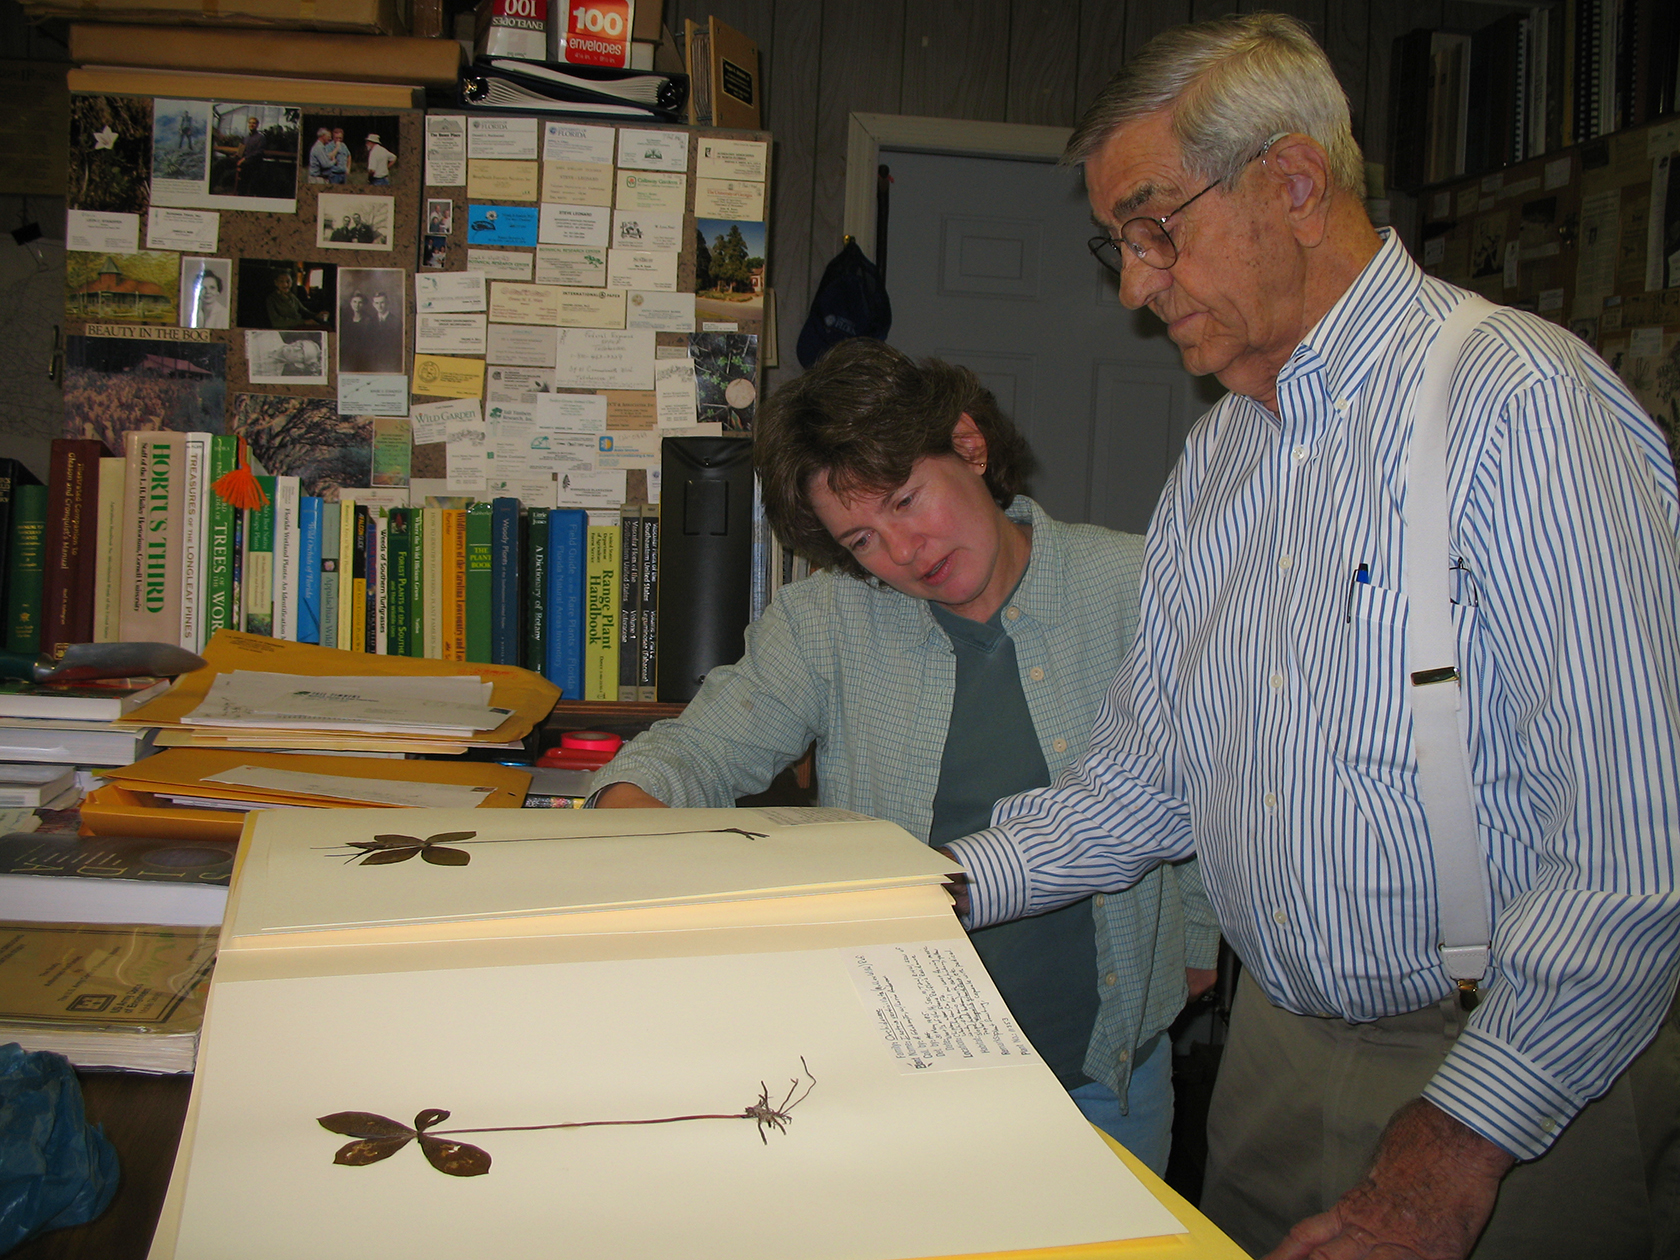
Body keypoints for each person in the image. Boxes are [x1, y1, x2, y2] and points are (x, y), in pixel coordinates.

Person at [941, 14, 1680, 1260]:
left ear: (1291, 182)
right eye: (1120, 242)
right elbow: (1141, 784)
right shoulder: (1220, 460)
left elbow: (1635, 851)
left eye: (1154, 228)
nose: (1133, 286)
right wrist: (933, 889)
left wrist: (1456, 1146)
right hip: (1271, 1066)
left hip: (1521, 1084)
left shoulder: (1523, 405)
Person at [589, 338, 1221, 1174]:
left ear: (968, 445)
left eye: (905, 499)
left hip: (1106, 1073)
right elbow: (698, 748)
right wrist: (624, 812)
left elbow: (1205, 777)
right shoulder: (825, 623)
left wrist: (1199, 936)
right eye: (862, 539)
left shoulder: (1138, 586)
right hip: (894, 1075)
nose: (904, 552)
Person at [187, 265, 227, 329]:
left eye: (212, 288)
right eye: (203, 288)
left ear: (218, 291)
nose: (208, 292)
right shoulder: (192, 313)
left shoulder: (225, 315)